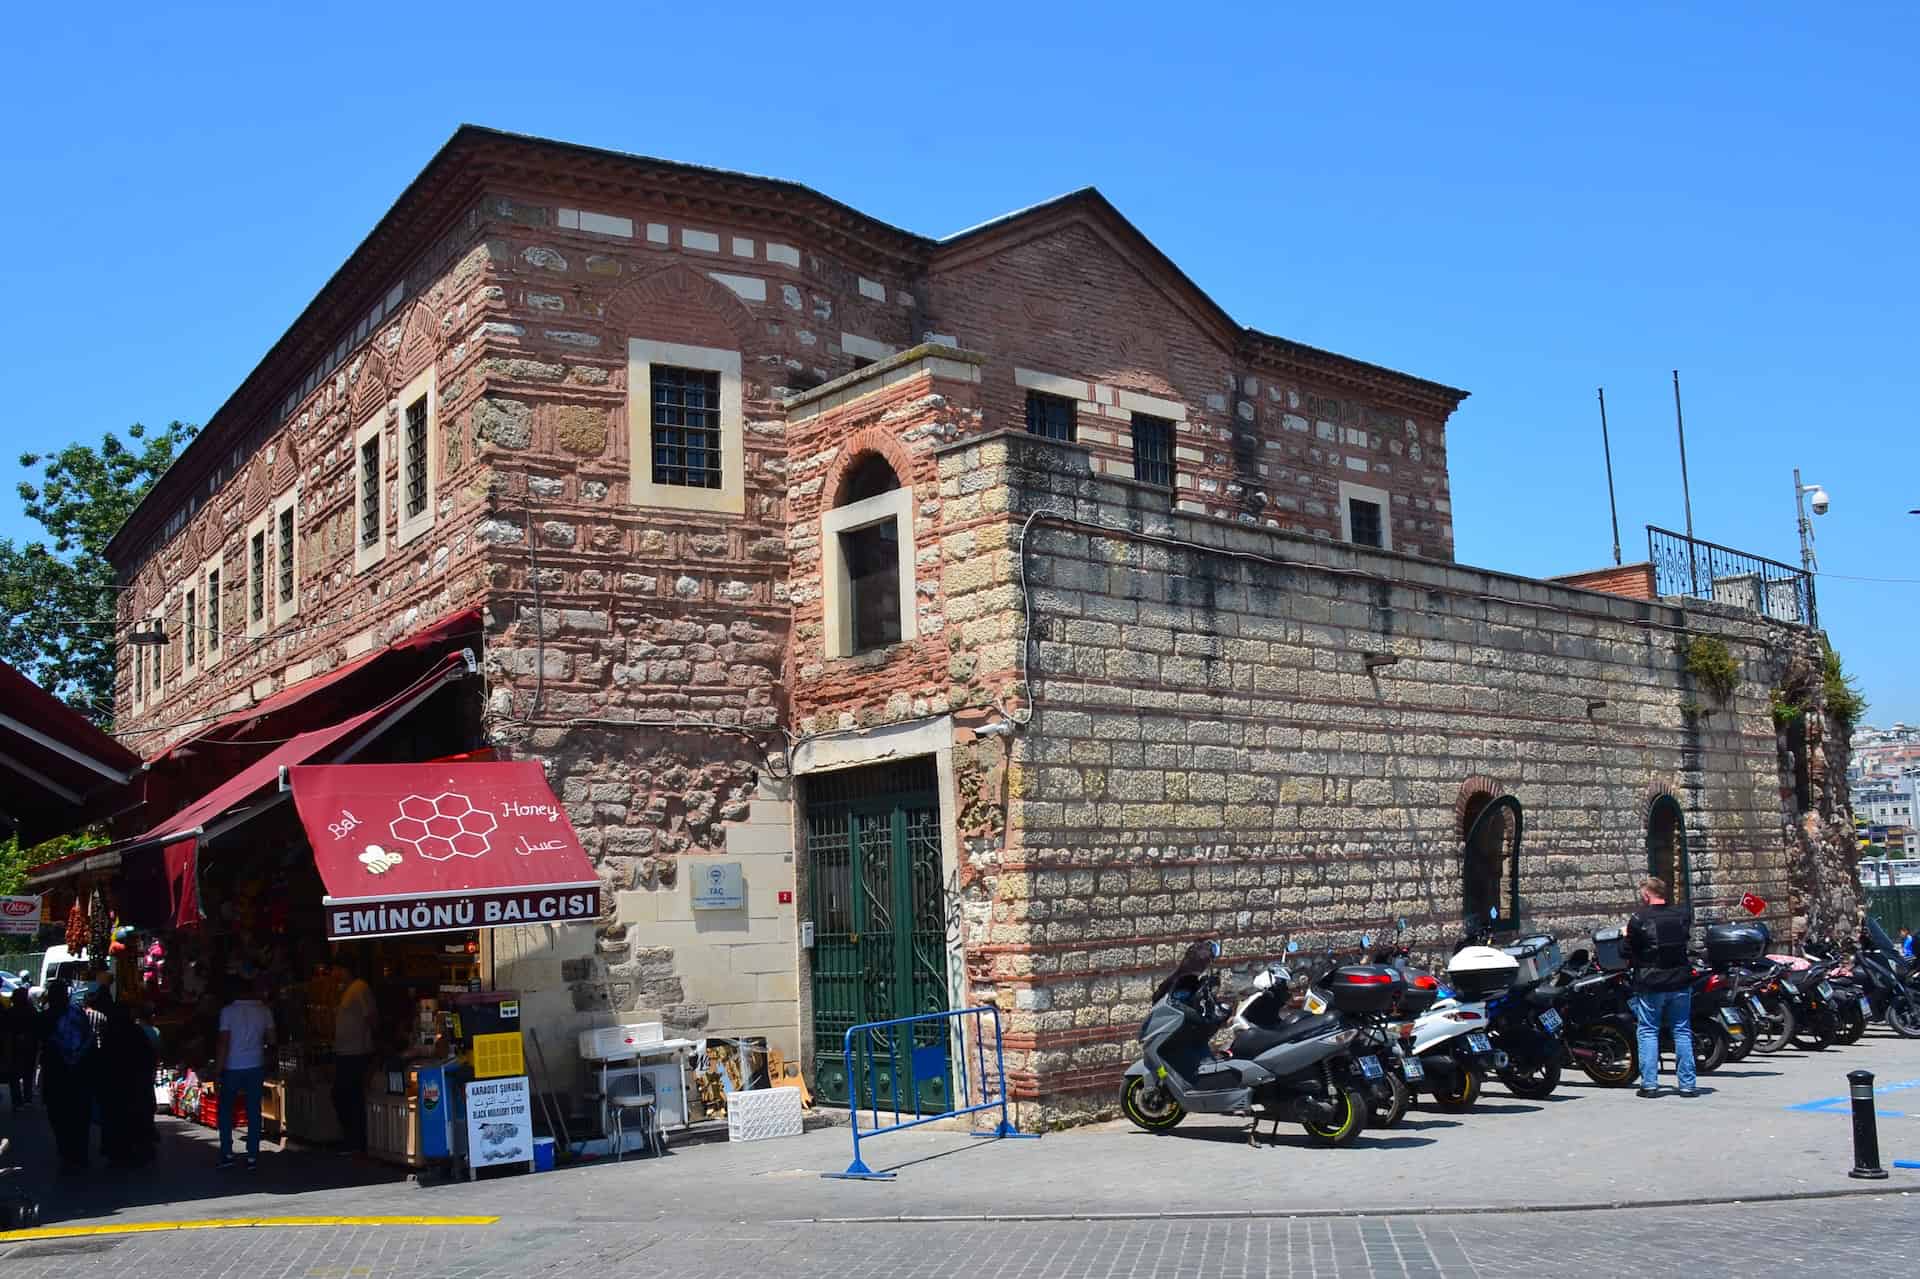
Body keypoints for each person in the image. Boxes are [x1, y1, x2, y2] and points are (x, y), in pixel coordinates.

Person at [1624, 875, 1696, 1099]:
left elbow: (1626, 951)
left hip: (1652, 982)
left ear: (1646, 894)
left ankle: (1650, 1084)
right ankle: (1687, 1085)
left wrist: (1625, 938)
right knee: (1682, 1031)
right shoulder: (1682, 915)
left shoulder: (1639, 919)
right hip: (1680, 981)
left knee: (1647, 1031)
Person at [215, 974, 275, 1170]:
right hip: (255, 1064)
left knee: (226, 1109)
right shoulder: (264, 1011)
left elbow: (223, 1043)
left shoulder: (227, 1012)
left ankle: (227, 1152)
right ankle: (252, 1155)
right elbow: (272, 1039)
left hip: (233, 1065)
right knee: (253, 1109)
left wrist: (218, 1070)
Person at [39, 982, 95, 1173]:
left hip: (62, 1077)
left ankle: (69, 1154)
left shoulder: (50, 1017)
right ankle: (77, 1154)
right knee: (75, 1116)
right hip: (74, 1076)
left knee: (62, 1117)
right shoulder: (75, 1014)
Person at [98, 997, 158, 1167]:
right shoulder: (136, 1032)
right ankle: (138, 1148)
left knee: (116, 1119)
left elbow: (103, 1060)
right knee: (137, 1117)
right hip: (135, 1086)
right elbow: (149, 1057)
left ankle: (117, 1150)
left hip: (115, 1086)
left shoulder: (110, 1034)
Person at [330, 960, 377, 1156]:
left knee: (348, 1095)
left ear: (344, 968)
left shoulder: (359, 988)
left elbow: (371, 1017)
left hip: (356, 1052)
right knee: (344, 1095)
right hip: (345, 1051)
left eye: (336, 969)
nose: (334, 973)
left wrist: (372, 1041)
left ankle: (356, 1140)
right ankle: (352, 1138)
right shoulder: (348, 989)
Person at [5, 988, 36, 1109]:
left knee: (14, 1075)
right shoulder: (32, 1011)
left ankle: (17, 1101)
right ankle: (27, 1097)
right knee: (28, 1072)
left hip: (14, 1046)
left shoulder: (10, 1012)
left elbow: (6, 1032)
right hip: (30, 1046)